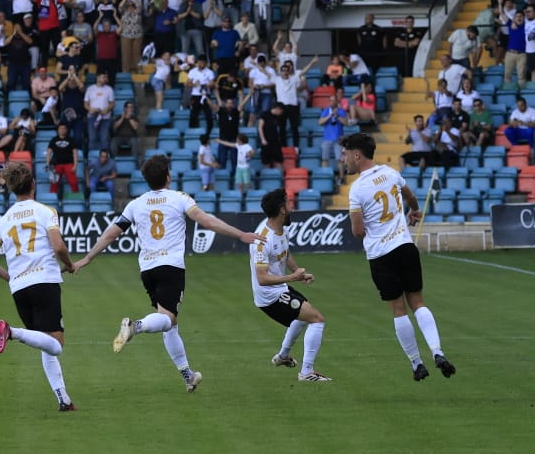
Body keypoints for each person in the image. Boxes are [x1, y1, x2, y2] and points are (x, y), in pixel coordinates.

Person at [76, 154, 257, 392]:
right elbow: (207, 221)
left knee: (170, 324)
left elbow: (111, 234)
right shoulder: (178, 198)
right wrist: (241, 235)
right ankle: (135, 326)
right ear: (168, 176)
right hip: (170, 267)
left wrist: (88, 257)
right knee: (168, 319)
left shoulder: (135, 203)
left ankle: (188, 376)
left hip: (148, 269)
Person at [340, 132, 455, 381]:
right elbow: (411, 196)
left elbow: (358, 231)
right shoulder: (390, 173)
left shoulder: (357, 188)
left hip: (381, 255)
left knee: (398, 309)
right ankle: (437, 351)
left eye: (345, 154)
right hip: (405, 246)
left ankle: (416, 364)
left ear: (357, 154)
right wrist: (413, 211)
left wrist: (367, 227)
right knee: (418, 302)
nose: (344, 159)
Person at [0, 162, 78, 412]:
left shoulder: (4, 220)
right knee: (56, 344)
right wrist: (69, 264)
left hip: (19, 287)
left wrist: (9, 276)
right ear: (34, 184)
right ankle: (11, 332)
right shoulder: (45, 211)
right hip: (44, 280)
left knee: (44, 343)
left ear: (13, 189)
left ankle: (63, 399)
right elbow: (58, 247)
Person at [250, 188, 331, 382]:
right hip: (269, 296)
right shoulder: (261, 240)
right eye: (289, 202)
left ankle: (283, 356)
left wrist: (299, 273)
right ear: (282, 210)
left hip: (279, 290)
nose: (292, 206)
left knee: (303, 316)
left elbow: (285, 255)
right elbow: (262, 278)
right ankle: (307, 373)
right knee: (317, 319)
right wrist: (293, 277)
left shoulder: (281, 230)